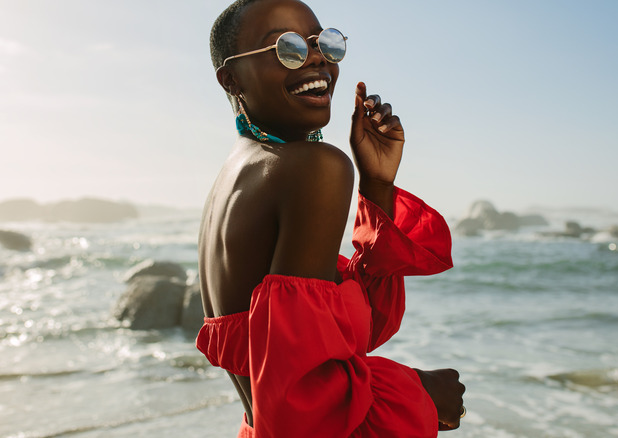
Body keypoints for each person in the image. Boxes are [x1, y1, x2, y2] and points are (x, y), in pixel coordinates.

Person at [196, 0, 466, 436]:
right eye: (287, 48)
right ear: (232, 78)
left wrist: (376, 185)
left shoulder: (233, 177)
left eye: (325, 43)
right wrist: (421, 391)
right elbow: (304, 407)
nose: (317, 57)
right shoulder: (314, 166)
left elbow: (334, 340)